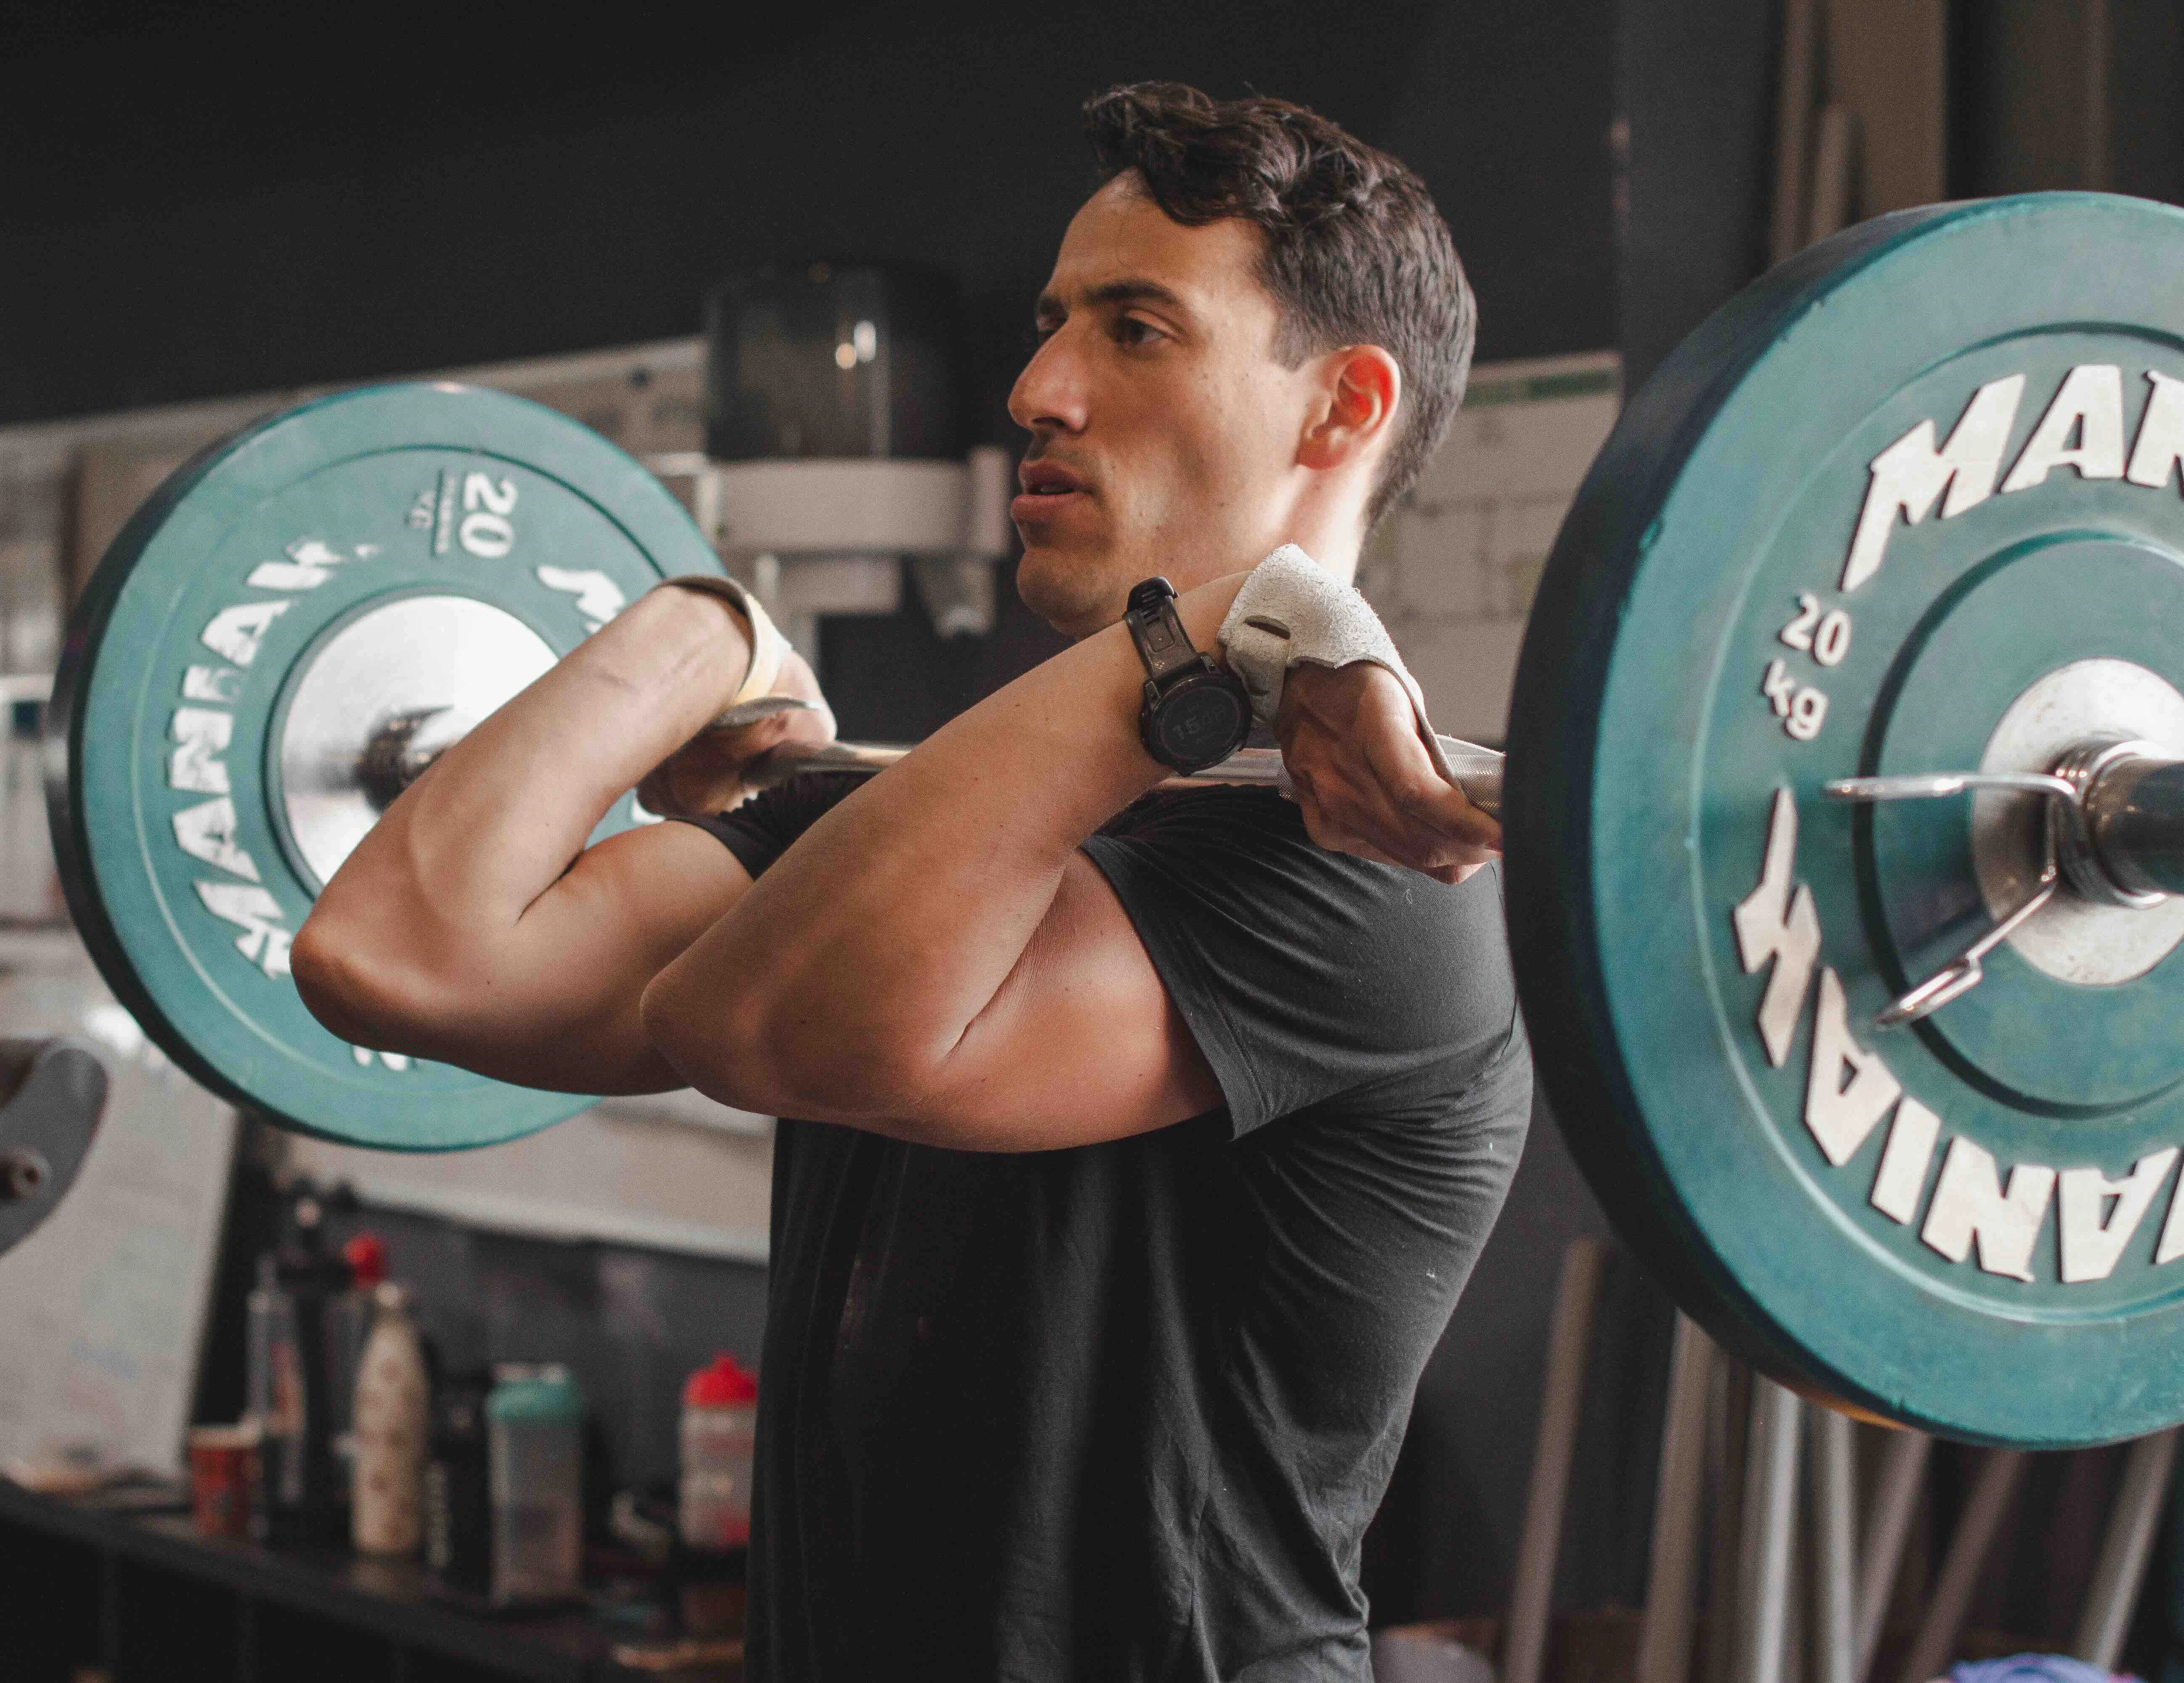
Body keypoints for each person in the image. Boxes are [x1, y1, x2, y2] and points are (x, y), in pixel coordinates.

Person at [295, 81, 1529, 1683]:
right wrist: (695, 631)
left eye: (1134, 331)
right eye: (1048, 325)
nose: (1035, 389)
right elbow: (400, 958)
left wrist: (1214, 631)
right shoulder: (906, 822)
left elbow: (772, 1031)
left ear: (1340, 409)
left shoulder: (1369, 883)